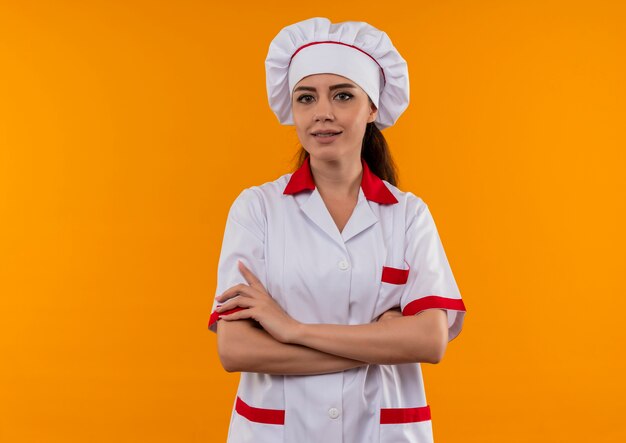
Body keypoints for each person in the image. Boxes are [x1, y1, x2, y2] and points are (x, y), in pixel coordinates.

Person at [207, 17, 467, 443]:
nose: (322, 113)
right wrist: (381, 339)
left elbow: (430, 340)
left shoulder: (408, 215)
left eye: (343, 95)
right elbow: (236, 349)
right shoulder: (257, 209)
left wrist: (291, 330)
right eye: (306, 98)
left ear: (372, 107)